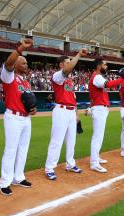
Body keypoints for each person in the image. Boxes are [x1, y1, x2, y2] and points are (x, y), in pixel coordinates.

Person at [0, 38, 36, 195]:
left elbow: (27, 102)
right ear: (16, 64)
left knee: (23, 149)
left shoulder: (26, 82)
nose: (26, 65)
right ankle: (4, 182)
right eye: (23, 63)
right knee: (11, 149)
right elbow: (8, 63)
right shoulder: (9, 76)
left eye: (27, 63)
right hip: (13, 117)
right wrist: (20, 49)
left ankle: (18, 177)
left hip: (26, 118)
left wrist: (32, 110)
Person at [44, 50, 87, 180]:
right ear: (61, 65)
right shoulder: (57, 76)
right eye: (68, 62)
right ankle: (49, 167)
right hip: (61, 110)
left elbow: (73, 99)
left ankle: (70, 164)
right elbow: (67, 70)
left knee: (71, 140)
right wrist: (78, 55)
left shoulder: (69, 81)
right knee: (56, 141)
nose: (70, 65)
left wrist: (76, 114)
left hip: (70, 112)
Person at [88, 59, 124, 173]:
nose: (106, 66)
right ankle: (94, 163)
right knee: (97, 136)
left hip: (100, 107)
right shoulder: (97, 76)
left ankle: (96, 157)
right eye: (104, 64)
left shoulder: (97, 76)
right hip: (99, 108)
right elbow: (108, 84)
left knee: (99, 136)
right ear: (99, 66)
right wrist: (122, 79)